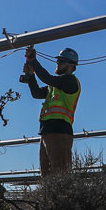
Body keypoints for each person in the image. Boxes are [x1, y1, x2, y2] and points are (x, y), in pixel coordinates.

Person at [22, 45, 80, 181]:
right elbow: (36, 93)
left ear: (71, 65)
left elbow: (48, 78)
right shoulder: (55, 86)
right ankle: (50, 200)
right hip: (47, 131)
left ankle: (64, 201)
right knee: (47, 175)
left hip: (60, 131)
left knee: (60, 174)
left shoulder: (70, 81)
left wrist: (33, 61)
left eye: (61, 62)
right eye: (58, 61)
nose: (58, 64)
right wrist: (30, 76)